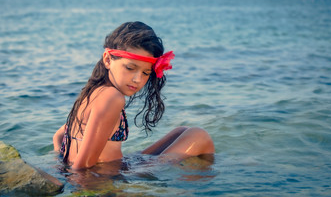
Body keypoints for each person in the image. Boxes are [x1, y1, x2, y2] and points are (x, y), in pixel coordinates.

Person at [53, 21, 214, 170]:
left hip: (116, 166)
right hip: (111, 176)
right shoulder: (112, 97)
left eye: (145, 73)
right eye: (130, 68)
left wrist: (61, 162)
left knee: (182, 131)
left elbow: (60, 135)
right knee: (199, 136)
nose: (137, 79)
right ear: (107, 59)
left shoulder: (95, 91)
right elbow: (83, 167)